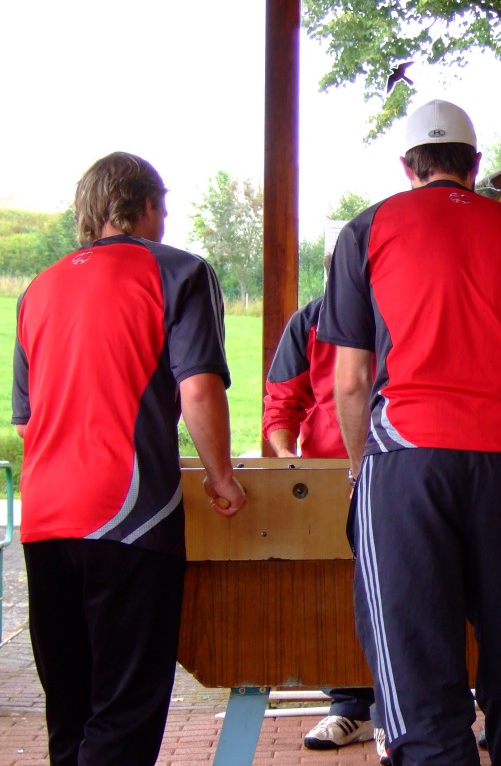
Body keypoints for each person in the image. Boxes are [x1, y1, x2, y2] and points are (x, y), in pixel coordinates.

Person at [318, 99, 501, 766]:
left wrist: (361, 470)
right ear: (475, 163)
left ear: (408, 166)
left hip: (406, 461)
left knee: (418, 677)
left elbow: (350, 380)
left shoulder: (368, 229)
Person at [11, 151, 246, 766]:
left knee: (70, 714)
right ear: (143, 206)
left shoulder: (36, 290)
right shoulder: (181, 272)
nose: (164, 222)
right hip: (129, 518)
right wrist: (221, 476)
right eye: (162, 209)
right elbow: (197, 386)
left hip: (41, 521)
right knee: (123, 714)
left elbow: (26, 419)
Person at [261, 266, 385, 763]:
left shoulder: (400, 315)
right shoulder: (307, 322)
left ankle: (398, 712)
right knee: (332, 593)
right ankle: (350, 705)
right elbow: (281, 404)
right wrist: (289, 461)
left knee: (400, 593)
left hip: (398, 471)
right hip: (328, 478)